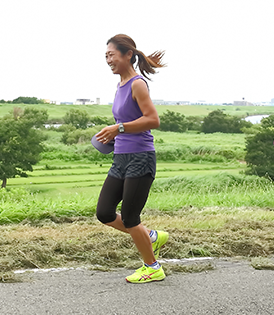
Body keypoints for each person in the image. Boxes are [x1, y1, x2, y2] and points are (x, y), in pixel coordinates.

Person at [95, 34, 169, 283]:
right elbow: (126, 121)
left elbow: (152, 120)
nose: (108, 60)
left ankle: (152, 267)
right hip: (121, 157)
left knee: (129, 217)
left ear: (128, 54)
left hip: (140, 157)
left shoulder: (138, 84)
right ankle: (150, 236)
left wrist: (119, 128)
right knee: (104, 212)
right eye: (105, 56)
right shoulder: (119, 85)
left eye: (111, 55)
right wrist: (112, 134)